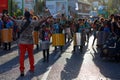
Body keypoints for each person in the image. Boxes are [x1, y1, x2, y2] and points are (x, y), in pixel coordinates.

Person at [16, 11, 48, 76]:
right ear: (29, 16)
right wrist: (46, 18)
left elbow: (13, 20)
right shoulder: (32, 22)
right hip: (30, 42)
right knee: (31, 55)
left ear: (24, 16)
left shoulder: (21, 22)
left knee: (22, 56)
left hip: (22, 41)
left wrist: (9, 17)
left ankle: (22, 70)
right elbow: (40, 22)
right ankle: (32, 68)